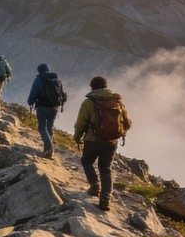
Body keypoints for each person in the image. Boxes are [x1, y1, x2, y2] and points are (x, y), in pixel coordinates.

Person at [73, 76, 131, 211]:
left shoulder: (89, 102)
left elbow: (81, 122)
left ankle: (94, 186)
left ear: (92, 87)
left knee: (87, 161)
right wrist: (119, 133)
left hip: (93, 139)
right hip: (111, 141)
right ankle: (106, 197)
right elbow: (127, 122)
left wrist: (77, 137)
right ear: (105, 86)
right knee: (105, 168)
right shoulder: (117, 101)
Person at [26, 63, 66, 159]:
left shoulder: (39, 80)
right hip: (54, 107)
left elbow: (34, 92)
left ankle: (48, 148)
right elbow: (64, 95)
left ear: (39, 71)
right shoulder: (57, 80)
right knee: (49, 127)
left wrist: (30, 102)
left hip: (42, 106)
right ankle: (47, 149)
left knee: (42, 127)